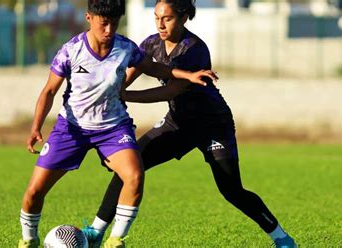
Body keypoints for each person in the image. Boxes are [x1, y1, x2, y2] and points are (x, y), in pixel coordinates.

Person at [82, 1, 298, 248]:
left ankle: (282, 239)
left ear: (184, 18)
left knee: (232, 191)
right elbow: (125, 78)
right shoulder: (151, 44)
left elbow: (172, 90)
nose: (160, 24)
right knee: (131, 165)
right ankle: (96, 232)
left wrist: (126, 97)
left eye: (168, 18)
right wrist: (109, 94)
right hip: (178, 123)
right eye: (157, 18)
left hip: (212, 124)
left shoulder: (194, 49)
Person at [17, 1, 217, 248]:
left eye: (114, 23)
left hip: (113, 128)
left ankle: (115, 240)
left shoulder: (125, 48)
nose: (109, 30)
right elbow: (49, 91)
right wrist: (36, 126)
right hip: (72, 128)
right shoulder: (70, 51)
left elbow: (154, 67)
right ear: (89, 18)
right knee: (35, 192)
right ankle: (28, 240)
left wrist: (188, 75)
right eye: (104, 23)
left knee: (134, 176)